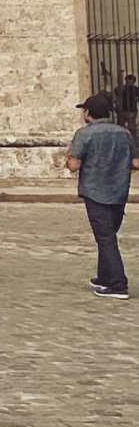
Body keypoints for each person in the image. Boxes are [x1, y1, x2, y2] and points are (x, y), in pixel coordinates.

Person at [66, 90, 138, 299]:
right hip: (118, 192)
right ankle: (105, 276)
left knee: (105, 238)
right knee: (107, 235)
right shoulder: (124, 133)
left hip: (95, 192)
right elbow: (135, 162)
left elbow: (74, 165)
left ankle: (118, 284)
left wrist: (68, 156)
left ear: (88, 112)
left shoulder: (84, 134)